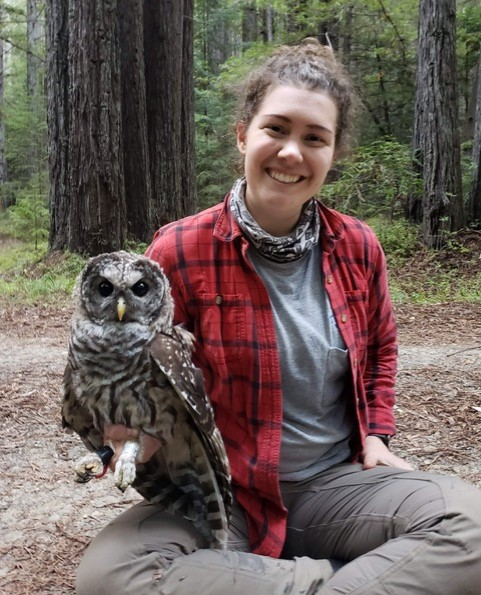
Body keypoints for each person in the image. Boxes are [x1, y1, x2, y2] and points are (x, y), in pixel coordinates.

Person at [76, 40, 481, 594]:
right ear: (243, 134)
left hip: (336, 487)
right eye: (276, 129)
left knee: (471, 525)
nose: (292, 152)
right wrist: (134, 436)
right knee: (111, 575)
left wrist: (378, 434)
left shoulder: (358, 245)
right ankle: (349, 580)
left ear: (333, 154)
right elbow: (149, 372)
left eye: (314, 138)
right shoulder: (179, 249)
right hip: (224, 494)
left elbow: (382, 347)